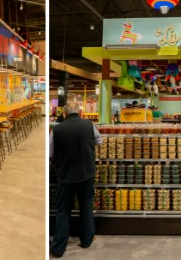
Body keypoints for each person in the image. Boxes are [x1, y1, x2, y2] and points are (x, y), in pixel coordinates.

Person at [49, 103, 103, 258]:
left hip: (65, 176)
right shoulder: (89, 125)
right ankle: (86, 240)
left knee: (63, 211)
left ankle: (59, 247)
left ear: (64, 113)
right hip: (86, 174)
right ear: (79, 112)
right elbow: (99, 141)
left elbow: (50, 153)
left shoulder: (57, 129)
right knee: (85, 207)